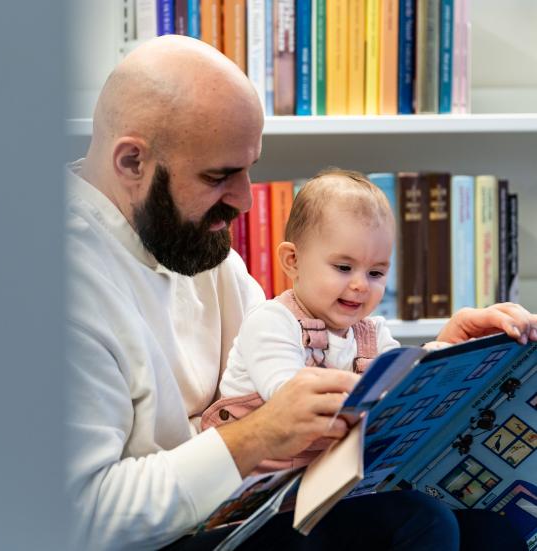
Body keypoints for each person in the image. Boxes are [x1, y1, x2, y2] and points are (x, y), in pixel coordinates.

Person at [66, 34, 535, 550]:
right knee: (409, 528)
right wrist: (257, 435)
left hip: (251, 506)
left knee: (492, 532)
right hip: (165, 537)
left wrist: (433, 364)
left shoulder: (190, 239)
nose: (244, 200)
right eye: (220, 176)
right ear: (132, 162)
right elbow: (78, 517)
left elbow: (302, 356)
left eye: (249, 169)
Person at [202, 168, 449, 472]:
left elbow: (401, 384)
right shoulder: (271, 322)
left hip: (326, 477)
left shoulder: (372, 334)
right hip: (259, 485)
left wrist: (435, 360)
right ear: (293, 261)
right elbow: (289, 398)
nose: (360, 285)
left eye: (375, 273)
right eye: (344, 267)